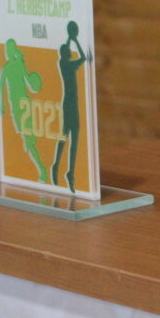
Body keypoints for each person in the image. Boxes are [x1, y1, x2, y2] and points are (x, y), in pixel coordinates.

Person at [0, 39, 48, 183]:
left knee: (29, 139)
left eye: (10, 49)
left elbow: (31, 83)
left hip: (24, 104)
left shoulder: (19, 65)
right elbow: (1, 85)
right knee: (27, 138)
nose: (8, 52)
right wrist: (2, 104)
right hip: (15, 105)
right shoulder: (7, 68)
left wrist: (35, 78)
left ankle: (42, 169)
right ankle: (40, 168)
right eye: (7, 49)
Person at [51, 21, 88, 193]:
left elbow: (71, 52)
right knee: (65, 136)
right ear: (65, 53)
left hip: (73, 103)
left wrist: (70, 38)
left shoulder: (66, 63)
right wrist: (75, 39)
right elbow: (84, 57)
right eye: (68, 50)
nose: (71, 51)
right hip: (68, 104)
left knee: (74, 139)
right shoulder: (65, 64)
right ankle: (56, 165)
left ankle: (70, 172)